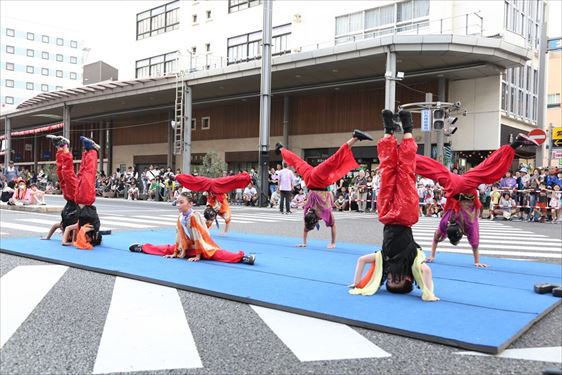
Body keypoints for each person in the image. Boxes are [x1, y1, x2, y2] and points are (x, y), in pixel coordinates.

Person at [349, 109, 438, 301]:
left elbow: (361, 260)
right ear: (408, 278)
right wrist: (429, 292)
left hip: (387, 215)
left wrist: (357, 283)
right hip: (406, 215)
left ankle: (388, 129)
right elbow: (427, 272)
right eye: (397, 280)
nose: (392, 277)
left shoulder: (384, 260)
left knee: (387, 170)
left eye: (389, 280)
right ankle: (407, 128)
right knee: (406, 171)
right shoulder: (414, 261)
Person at [415, 132, 539, 267]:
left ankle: (516, 144)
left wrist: (477, 261)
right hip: (459, 182)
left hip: (460, 185)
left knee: (490, 170)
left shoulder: (469, 224)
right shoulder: (446, 223)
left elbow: (474, 245)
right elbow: (436, 239)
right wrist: (432, 255)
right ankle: (407, 157)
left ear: (461, 233)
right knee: (435, 168)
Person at [276, 128, 372, 249]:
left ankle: (355, 137)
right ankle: (281, 148)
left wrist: (333, 242)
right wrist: (305, 242)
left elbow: (330, 225)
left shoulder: (323, 211)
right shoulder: (311, 212)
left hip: (317, 179)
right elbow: (310, 228)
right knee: (297, 162)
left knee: (333, 160)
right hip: (310, 179)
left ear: (316, 219)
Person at [128, 192, 256, 265]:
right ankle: (142, 247)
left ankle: (243, 258)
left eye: (181, 202)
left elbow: (198, 236)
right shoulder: (180, 217)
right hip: (187, 246)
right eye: (177, 202)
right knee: (167, 248)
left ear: (190, 204)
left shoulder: (194, 216)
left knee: (218, 254)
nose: (178, 205)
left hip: (201, 246)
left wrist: (199, 255)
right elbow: (179, 235)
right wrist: (176, 252)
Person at [45, 134, 103, 250]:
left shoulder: (70, 227)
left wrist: (48, 237)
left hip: (72, 199)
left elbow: (57, 226)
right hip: (82, 199)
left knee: (63, 174)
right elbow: (68, 230)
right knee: (84, 174)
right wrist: (67, 241)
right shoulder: (84, 229)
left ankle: (62, 147)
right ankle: (92, 150)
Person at [174, 172, 251, 234]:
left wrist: (247, 177)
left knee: (227, 218)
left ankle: (226, 232)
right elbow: (195, 181)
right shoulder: (210, 187)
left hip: (221, 204)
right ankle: (203, 231)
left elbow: (232, 180)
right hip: (212, 202)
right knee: (209, 218)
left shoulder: (221, 192)